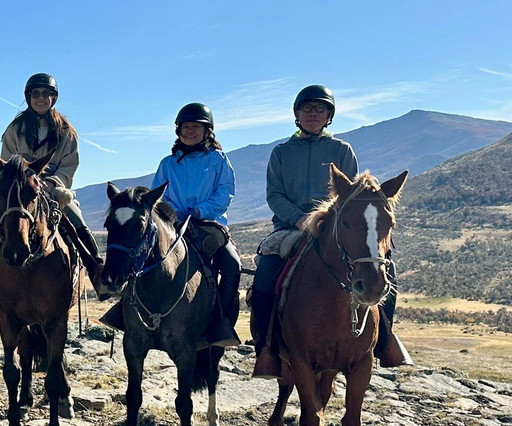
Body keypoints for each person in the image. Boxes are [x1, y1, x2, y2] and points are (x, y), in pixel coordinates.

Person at [250, 84, 410, 377]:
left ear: (329, 116)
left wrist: (334, 221)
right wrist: (299, 219)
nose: (313, 113)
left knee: (386, 270)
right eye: (307, 108)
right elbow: (275, 195)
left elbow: (352, 195)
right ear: (297, 115)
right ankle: (266, 348)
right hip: (291, 227)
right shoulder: (282, 153)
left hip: (335, 228)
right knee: (264, 276)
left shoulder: (341, 150)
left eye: (320, 109)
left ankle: (384, 339)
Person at [0, 73, 106, 296]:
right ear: (29, 97)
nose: (41, 98)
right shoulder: (14, 129)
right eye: (36, 93)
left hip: (54, 188)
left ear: (53, 98)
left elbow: (69, 166)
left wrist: (51, 183)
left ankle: (96, 270)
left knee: (75, 219)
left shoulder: (67, 132)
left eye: (46, 93)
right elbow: (7, 164)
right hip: (20, 190)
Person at [99, 103, 241, 346]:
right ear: (178, 131)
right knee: (141, 252)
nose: (190, 131)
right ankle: (124, 310)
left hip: (209, 224)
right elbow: (157, 195)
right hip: (172, 223)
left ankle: (221, 324)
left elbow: (224, 193)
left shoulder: (218, 160)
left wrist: (200, 210)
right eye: (186, 127)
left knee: (232, 264)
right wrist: (172, 213)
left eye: (196, 127)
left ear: (207, 131)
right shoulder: (168, 163)